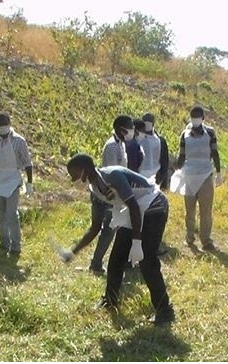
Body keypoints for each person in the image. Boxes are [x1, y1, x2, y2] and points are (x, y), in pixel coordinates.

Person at [58, 154, 175, 325]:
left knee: (147, 260)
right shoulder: (94, 190)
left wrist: (136, 243)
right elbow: (95, 227)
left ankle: (165, 310)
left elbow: (135, 206)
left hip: (153, 206)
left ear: (85, 171)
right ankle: (110, 300)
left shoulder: (113, 176)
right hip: (132, 211)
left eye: (75, 175)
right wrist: (73, 251)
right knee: (116, 258)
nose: (73, 179)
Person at [84, 115, 135, 274]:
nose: (132, 130)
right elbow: (111, 173)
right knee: (108, 230)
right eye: (130, 127)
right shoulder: (112, 146)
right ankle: (96, 264)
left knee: (107, 229)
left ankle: (96, 263)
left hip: (110, 193)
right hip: (106, 194)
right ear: (121, 129)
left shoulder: (120, 144)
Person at [170, 106, 222, 250]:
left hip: (205, 174)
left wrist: (218, 172)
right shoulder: (184, 134)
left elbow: (215, 152)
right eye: (193, 117)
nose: (195, 119)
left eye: (197, 117)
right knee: (190, 210)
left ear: (203, 118)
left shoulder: (210, 132)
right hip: (189, 175)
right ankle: (189, 237)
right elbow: (182, 155)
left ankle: (206, 240)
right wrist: (176, 169)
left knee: (206, 210)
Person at [0, 113, 33, 256]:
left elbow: (28, 163)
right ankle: (4, 242)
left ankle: (16, 245)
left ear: (9, 124)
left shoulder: (19, 141)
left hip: (13, 181)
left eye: (5, 125)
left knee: (11, 214)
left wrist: (29, 183)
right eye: (0, 126)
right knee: (1, 214)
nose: (3, 128)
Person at [136, 113, 170, 190]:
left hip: (155, 176)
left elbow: (164, 162)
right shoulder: (137, 139)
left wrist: (161, 180)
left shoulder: (159, 140)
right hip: (140, 175)